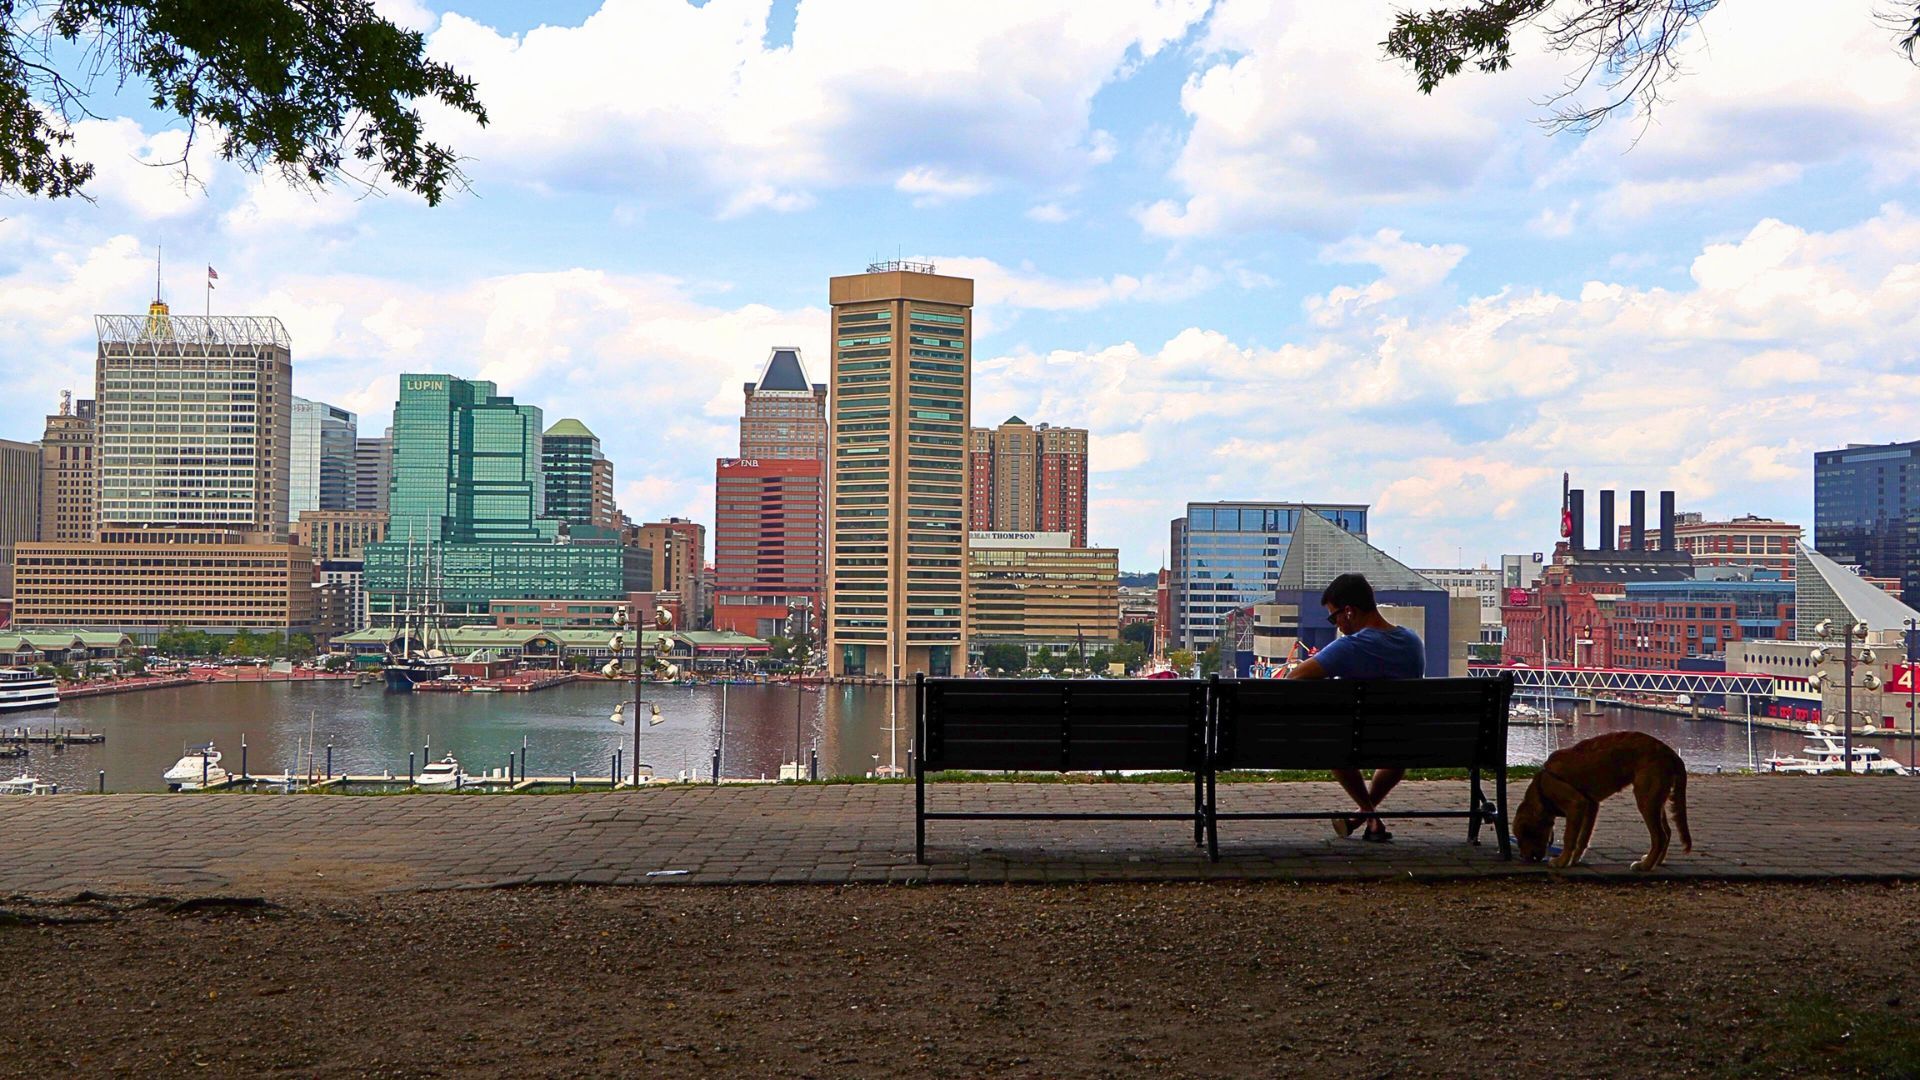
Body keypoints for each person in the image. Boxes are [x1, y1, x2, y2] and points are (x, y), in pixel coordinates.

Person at [1286, 572, 1425, 842]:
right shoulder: (1412, 641)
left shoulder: (1350, 647)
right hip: (1404, 744)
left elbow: (1295, 677)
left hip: (1352, 745)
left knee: (1335, 748)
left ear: (1348, 611)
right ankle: (1367, 816)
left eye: (1333, 615)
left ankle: (1366, 814)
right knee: (1394, 756)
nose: (1335, 623)